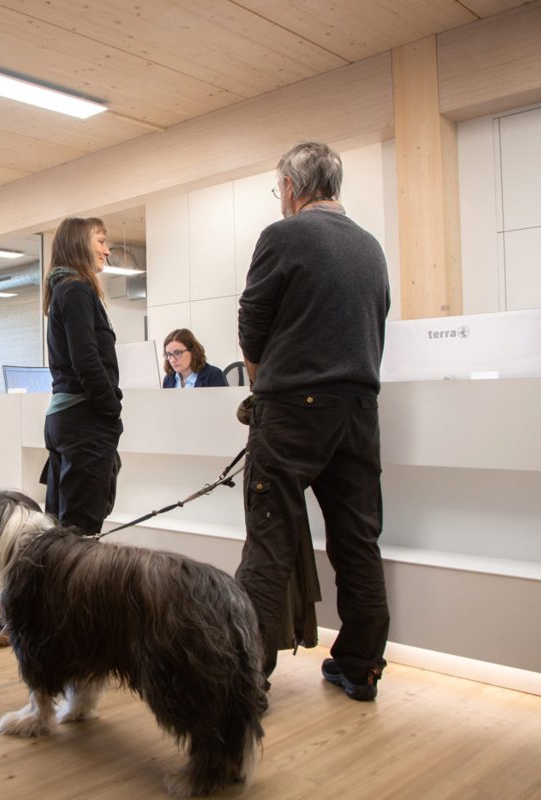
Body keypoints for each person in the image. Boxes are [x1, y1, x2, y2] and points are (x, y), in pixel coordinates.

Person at [236, 141, 391, 702]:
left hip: (293, 411)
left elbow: (251, 325)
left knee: (270, 539)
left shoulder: (284, 235)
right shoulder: (371, 246)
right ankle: (361, 665)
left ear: (291, 187)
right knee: (357, 539)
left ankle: (245, 675)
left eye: (279, 188)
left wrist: (262, 384)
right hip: (359, 411)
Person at [41, 217, 123, 534]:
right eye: (100, 241)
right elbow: (86, 360)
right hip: (84, 422)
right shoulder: (76, 290)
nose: (106, 250)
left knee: (62, 532)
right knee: (80, 534)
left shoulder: (65, 289)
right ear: (79, 245)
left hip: (67, 419)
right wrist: (111, 409)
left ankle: (54, 586)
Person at [161, 329, 229, 388]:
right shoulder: (169, 379)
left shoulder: (213, 375)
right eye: (169, 354)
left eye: (178, 353)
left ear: (192, 351)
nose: (172, 360)